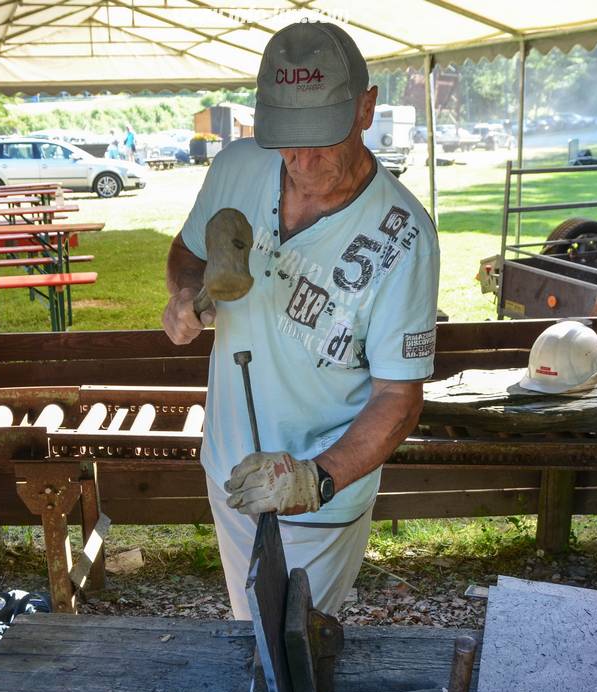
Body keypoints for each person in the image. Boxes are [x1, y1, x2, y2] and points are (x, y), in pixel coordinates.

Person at [161, 21, 440, 618]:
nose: (303, 161)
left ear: (366, 109)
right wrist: (185, 291)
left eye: (322, 139)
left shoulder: (405, 236)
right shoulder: (238, 166)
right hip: (231, 468)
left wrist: (315, 479)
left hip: (322, 492)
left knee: (298, 650)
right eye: (288, 140)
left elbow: (399, 395)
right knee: (249, 626)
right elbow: (188, 248)